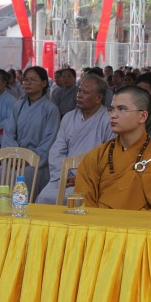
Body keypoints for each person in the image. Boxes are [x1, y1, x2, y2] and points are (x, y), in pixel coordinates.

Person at [74, 86, 151, 210]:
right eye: (111, 109)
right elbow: (83, 204)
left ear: (143, 116)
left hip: (141, 223)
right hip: (100, 221)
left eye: (121, 109)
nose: (113, 115)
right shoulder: (96, 157)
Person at [36, 73, 114, 205]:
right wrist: (63, 175)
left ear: (99, 98)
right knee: (45, 197)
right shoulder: (68, 117)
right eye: (79, 91)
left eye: (85, 92)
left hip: (91, 179)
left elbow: (109, 157)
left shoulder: (108, 121)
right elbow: (57, 150)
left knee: (77, 201)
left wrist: (83, 177)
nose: (79, 95)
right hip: (64, 176)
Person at [0, 66, 60, 199]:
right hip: (15, 158)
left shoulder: (51, 109)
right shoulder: (18, 106)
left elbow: (49, 140)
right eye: (25, 80)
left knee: (27, 176)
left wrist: (27, 159)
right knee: (0, 173)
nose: (27, 83)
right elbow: (9, 133)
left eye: (33, 80)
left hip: (35, 162)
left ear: (44, 83)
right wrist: (15, 156)